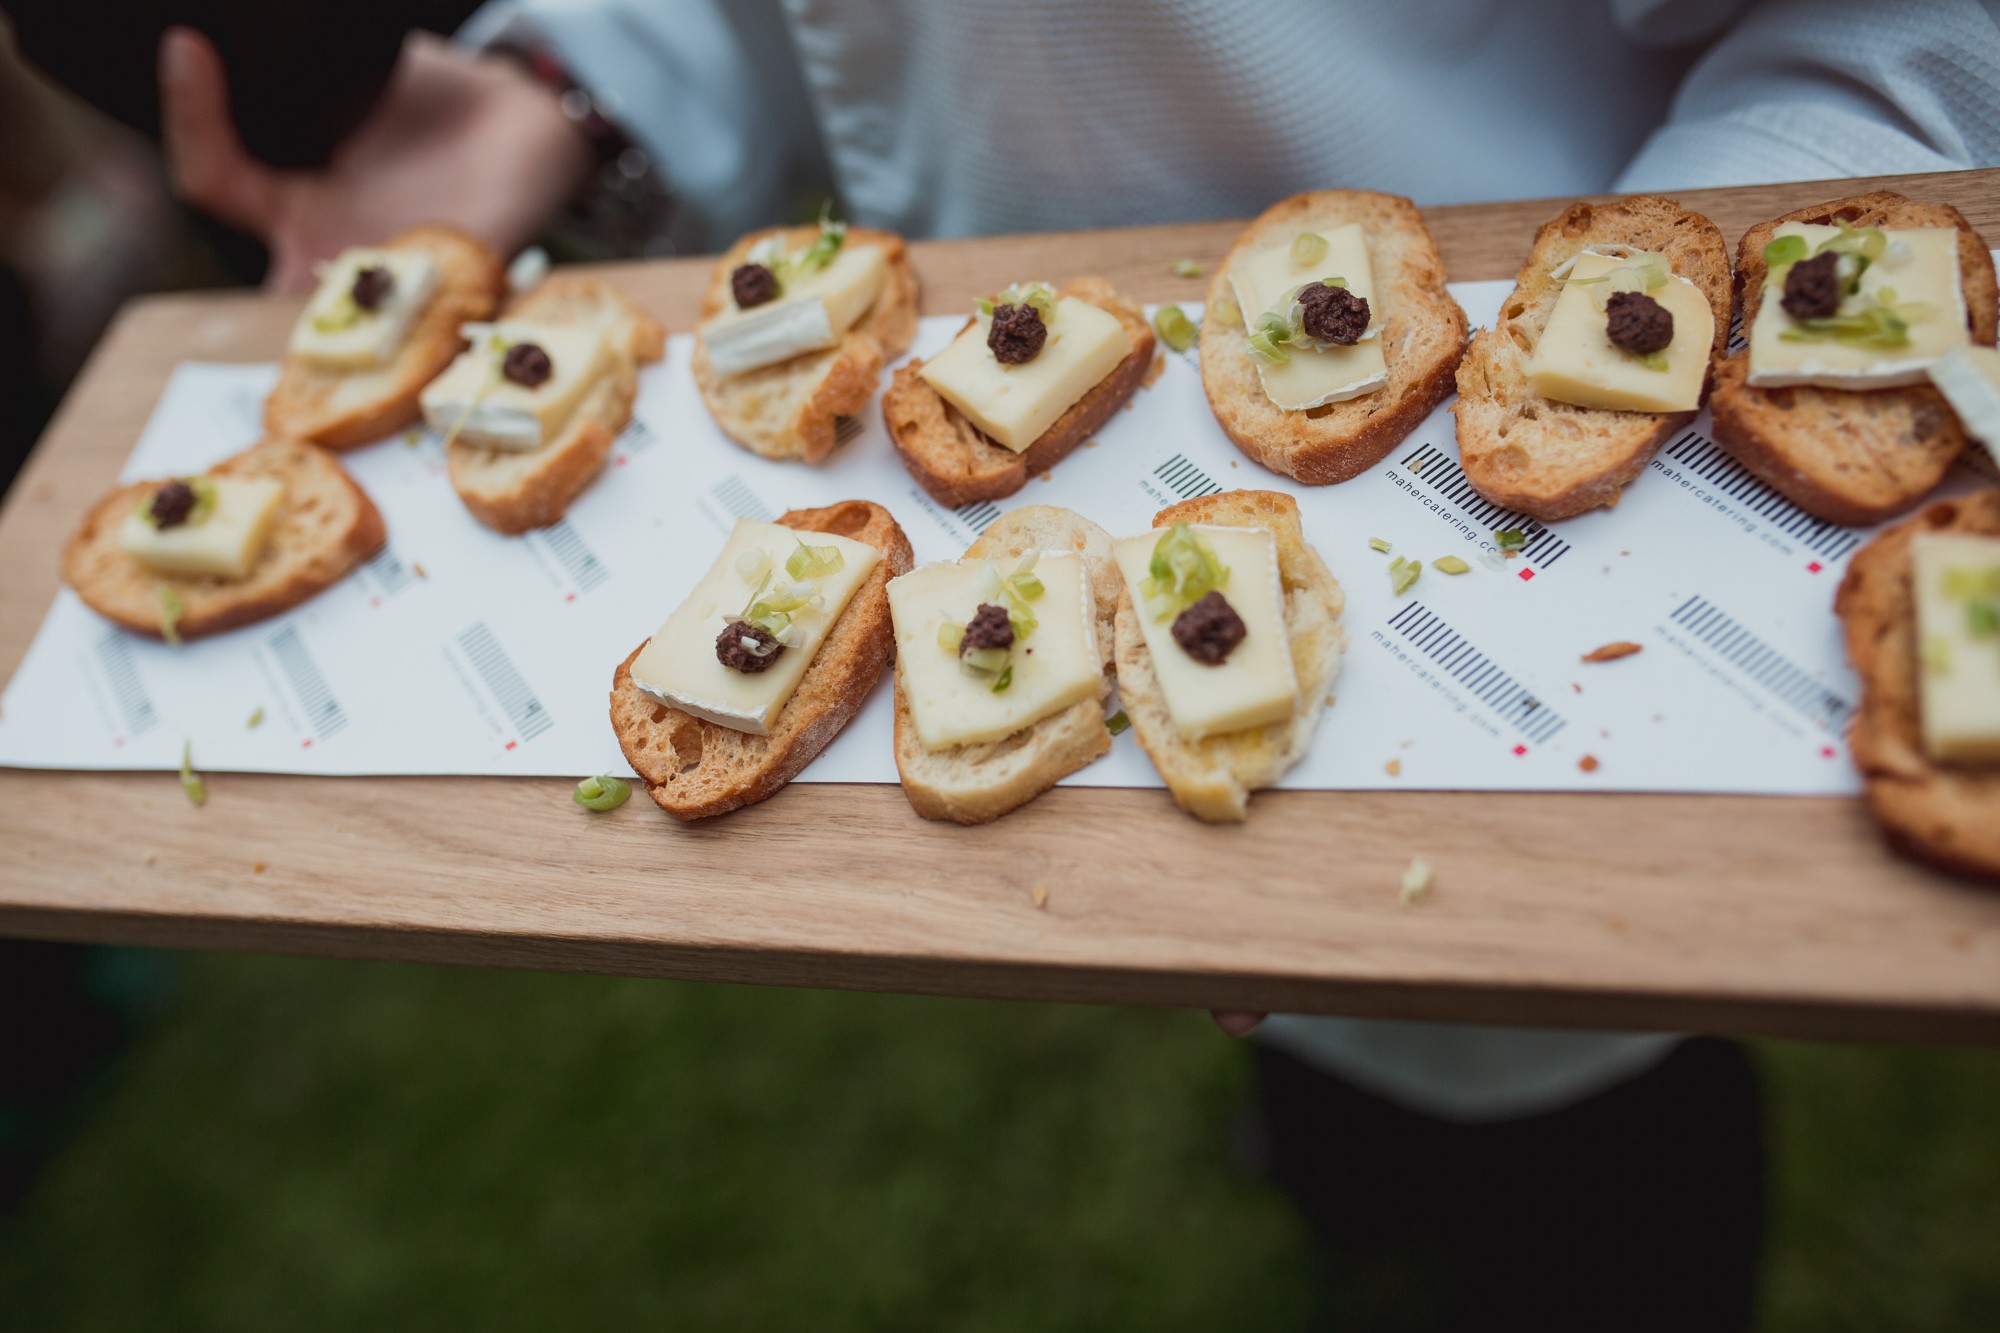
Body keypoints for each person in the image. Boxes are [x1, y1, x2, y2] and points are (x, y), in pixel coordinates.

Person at [143, 1, 2000, 1325]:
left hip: (1555, 454)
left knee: (1570, 1103)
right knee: (1289, 1012)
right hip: (1054, 373)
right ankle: (1344, 1173)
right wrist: (561, 85)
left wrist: (1705, 326)